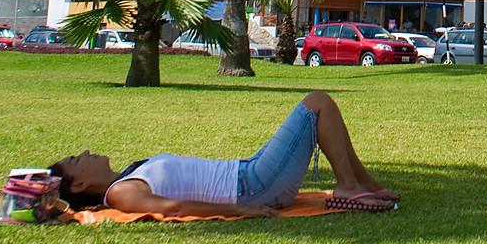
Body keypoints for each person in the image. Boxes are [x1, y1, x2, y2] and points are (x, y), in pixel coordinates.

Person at [50, 91, 397, 215]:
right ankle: (349, 186)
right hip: (254, 187)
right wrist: (240, 209)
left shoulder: (126, 175)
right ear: (79, 185)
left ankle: (363, 183)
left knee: (320, 108)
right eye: (76, 161)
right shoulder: (121, 192)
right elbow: (173, 208)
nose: (85, 152)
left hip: (250, 173)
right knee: (317, 102)